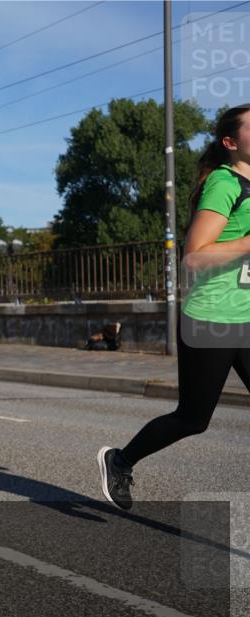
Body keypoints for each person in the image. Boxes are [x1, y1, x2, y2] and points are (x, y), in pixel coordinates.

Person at [99, 104, 250, 511]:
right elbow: (195, 256)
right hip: (212, 319)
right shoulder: (225, 183)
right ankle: (121, 459)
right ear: (231, 143)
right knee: (193, 419)